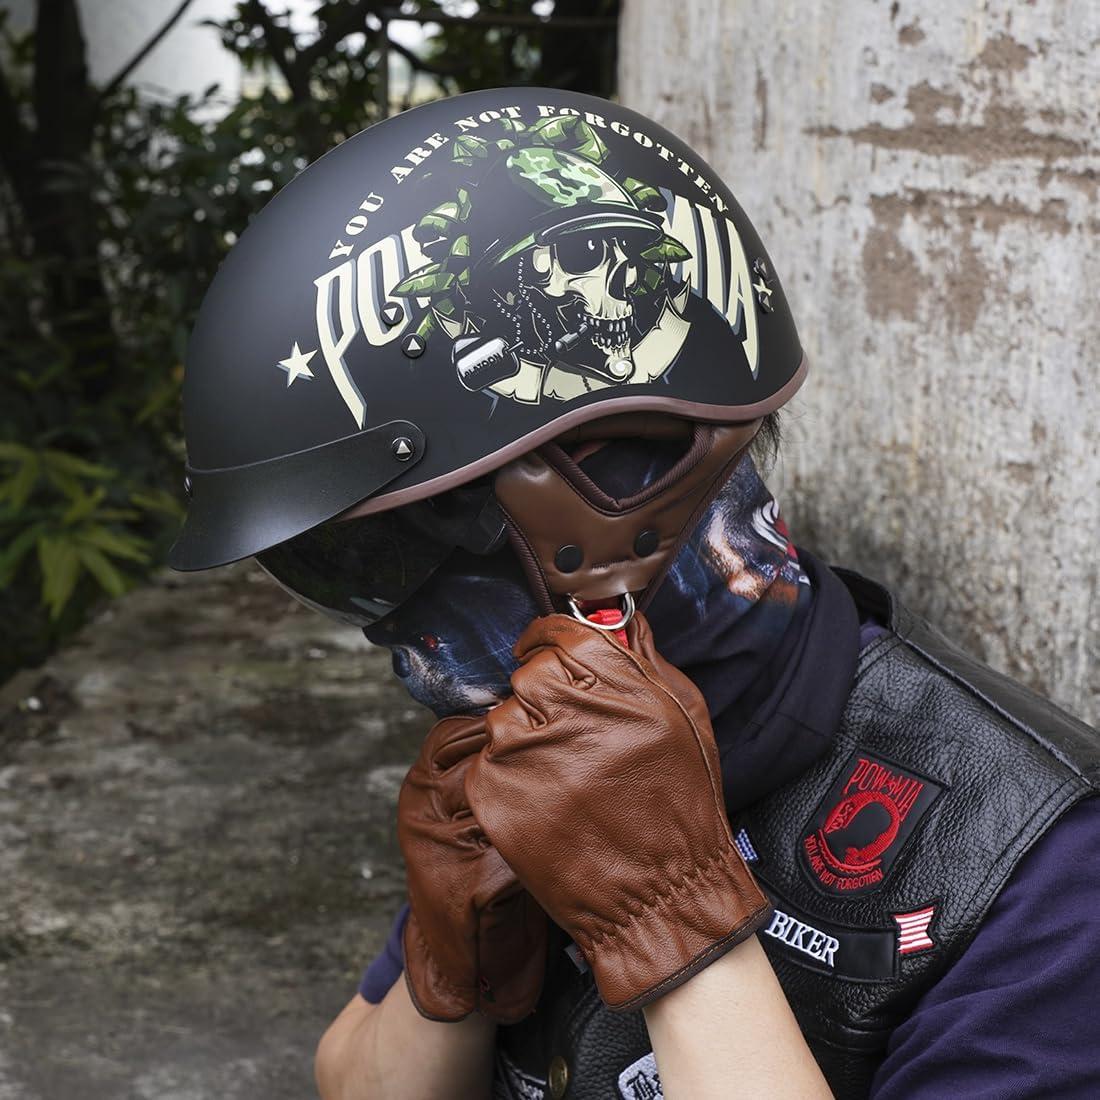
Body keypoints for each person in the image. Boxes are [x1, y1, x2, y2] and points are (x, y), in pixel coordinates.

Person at [168, 88, 1100, 1100]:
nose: (399, 637)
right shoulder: (549, 745)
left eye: (402, 554)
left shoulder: (1040, 875)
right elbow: (357, 1080)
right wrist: (453, 960)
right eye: (341, 574)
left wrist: (669, 912)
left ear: (624, 484)